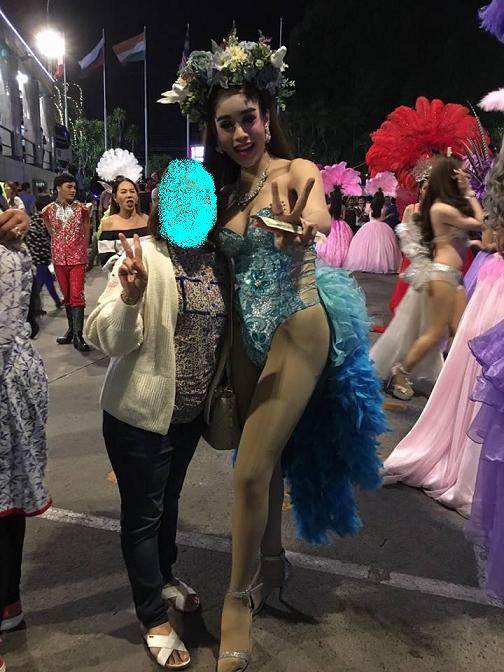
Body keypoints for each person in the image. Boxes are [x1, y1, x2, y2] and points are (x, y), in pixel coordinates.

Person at [160, 31, 386, 671]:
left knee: (249, 470)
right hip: (244, 337)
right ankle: (274, 563)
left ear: (268, 116)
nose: (240, 133)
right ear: (214, 131)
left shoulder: (296, 171)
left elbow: (315, 215)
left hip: (297, 324)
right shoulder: (222, 195)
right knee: (265, 456)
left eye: (249, 119)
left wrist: (299, 226)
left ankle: (237, 601)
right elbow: (193, 254)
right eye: (226, 124)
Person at [85, 179, 230, 669]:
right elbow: (103, 336)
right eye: (179, 200)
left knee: (168, 503)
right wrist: (129, 298)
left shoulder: (215, 262)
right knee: (143, 517)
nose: (191, 210)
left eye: (200, 201)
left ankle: (164, 577)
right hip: (139, 419)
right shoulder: (141, 255)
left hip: (186, 419)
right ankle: (152, 616)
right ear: (161, 206)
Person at [387, 155, 484, 400]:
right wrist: (468, 191)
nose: (460, 180)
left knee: (457, 330)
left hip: (454, 276)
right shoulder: (440, 208)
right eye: (455, 177)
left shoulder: (444, 206)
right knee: (434, 332)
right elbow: (480, 222)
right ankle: (400, 372)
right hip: (442, 274)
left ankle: (449, 382)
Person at [0, 208, 50, 672]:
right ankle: (8, 601)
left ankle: (8, 602)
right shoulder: (15, 253)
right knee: (10, 498)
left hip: (9, 381)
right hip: (20, 379)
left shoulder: (9, 253)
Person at [370, 186, 444, 389]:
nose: (426, 190)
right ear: (420, 189)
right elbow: (404, 235)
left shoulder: (438, 209)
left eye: (430, 185)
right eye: (424, 186)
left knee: (425, 320)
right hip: (414, 263)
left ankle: (411, 365)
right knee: (408, 313)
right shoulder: (412, 208)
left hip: (431, 266)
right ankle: (400, 365)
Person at [42, 173, 91, 352]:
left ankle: (78, 335)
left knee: (77, 295)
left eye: (74, 187)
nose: (73, 190)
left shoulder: (82, 210)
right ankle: (71, 331)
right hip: (59, 260)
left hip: (77, 259)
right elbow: (51, 232)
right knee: (67, 296)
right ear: (58, 188)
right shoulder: (47, 211)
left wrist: (82, 253)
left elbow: (86, 233)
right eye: (69, 187)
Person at [343, 190, 402, 273]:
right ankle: (379, 263)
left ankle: (367, 262)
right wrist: (388, 216)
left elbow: (369, 217)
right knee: (380, 245)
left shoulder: (370, 208)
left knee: (367, 245)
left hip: (369, 225)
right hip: (382, 227)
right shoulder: (383, 208)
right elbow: (381, 219)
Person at [98, 177, 150, 270]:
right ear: (115, 197)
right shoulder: (108, 223)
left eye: (132, 191)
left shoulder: (148, 220)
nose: (129, 195)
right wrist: (126, 265)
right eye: (123, 192)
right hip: (122, 274)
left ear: (137, 196)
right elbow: (106, 258)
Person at [25, 194, 63, 311]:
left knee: (46, 279)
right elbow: (52, 237)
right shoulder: (45, 219)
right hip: (41, 254)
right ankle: (33, 307)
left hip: (34, 253)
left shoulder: (33, 218)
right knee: (40, 282)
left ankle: (57, 301)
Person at [315, 186, 353, 267]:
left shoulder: (328, 206)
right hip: (341, 225)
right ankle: (339, 260)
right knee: (341, 244)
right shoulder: (342, 207)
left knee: (327, 243)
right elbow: (343, 217)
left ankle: (327, 259)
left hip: (330, 224)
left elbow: (325, 217)